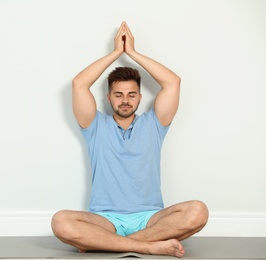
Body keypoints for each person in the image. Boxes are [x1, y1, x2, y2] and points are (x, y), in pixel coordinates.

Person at [51, 22, 209, 258]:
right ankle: (148, 246)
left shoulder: (155, 124)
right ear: (108, 97)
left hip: (150, 218)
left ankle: (105, 244)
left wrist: (132, 53)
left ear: (139, 97)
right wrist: (116, 53)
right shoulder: (94, 125)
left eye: (131, 94)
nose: (125, 100)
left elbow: (173, 82)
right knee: (61, 221)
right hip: (105, 218)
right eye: (118, 94)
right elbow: (79, 84)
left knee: (198, 211)